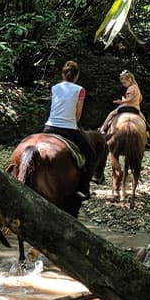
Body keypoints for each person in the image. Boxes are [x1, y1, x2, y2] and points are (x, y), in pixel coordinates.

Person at [44, 59, 96, 198]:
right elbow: (77, 116)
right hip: (68, 128)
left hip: (49, 127)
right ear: (76, 76)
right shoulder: (80, 90)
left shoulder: (54, 88)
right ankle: (83, 189)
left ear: (63, 75)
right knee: (90, 155)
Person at [100, 68, 146, 134]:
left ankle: (103, 128)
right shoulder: (136, 87)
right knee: (144, 120)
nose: (123, 85)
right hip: (136, 108)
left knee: (111, 114)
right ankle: (147, 131)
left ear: (129, 80)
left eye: (124, 83)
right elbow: (140, 99)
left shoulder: (130, 88)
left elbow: (130, 99)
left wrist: (121, 101)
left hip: (127, 106)